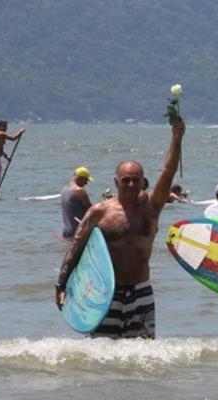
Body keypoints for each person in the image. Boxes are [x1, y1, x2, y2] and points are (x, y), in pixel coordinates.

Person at [54, 118, 186, 339]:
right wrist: (61, 285)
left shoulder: (151, 207)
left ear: (143, 181)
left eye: (136, 180)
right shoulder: (99, 212)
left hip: (141, 291)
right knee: (103, 352)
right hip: (106, 294)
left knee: (143, 355)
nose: (132, 184)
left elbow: (167, 171)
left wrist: (177, 137)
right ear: (116, 182)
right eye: (126, 180)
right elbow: (76, 248)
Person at [0, 120, 25, 200]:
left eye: (6, 126)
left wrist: (6, 156)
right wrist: (20, 131)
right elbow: (13, 138)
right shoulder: (1, 133)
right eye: (4, 126)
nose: (6, 128)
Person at [60, 166, 94, 241]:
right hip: (78, 233)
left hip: (67, 233)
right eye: (86, 180)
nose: (86, 183)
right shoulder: (80, 191)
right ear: (80, 178)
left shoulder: (65, 189)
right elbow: (92, 210)